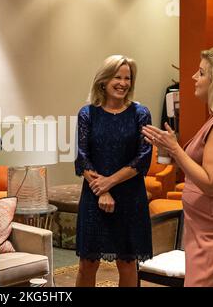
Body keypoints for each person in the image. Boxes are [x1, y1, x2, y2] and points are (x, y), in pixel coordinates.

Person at [142, 47, 213, 287]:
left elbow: (211, 181)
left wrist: (176, 149)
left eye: (201, 73)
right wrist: (171, 148)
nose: (193, 78)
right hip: (208, 223)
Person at [74, 55, 153, 287]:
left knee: (127, 263)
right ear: (104, 81)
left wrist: (109, 182)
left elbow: (143, 157)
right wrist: (102, 190)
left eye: (128, 78)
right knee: (87, 263)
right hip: (94, 195)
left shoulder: (141, 113)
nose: (123, 83)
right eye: (117, 77)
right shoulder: (87, 114)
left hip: (130, 197)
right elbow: (82, 157)